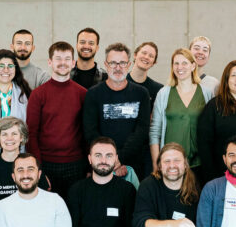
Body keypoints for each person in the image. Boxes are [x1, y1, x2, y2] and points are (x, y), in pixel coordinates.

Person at [26, 41, 87, 201]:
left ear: (73, 63)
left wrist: (88, 166)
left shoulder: (82, 94)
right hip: (46, 164)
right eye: (58, 58)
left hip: (76, 164)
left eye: (67, 59)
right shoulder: (38, 94)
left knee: (75, 212)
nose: (63, 63)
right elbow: (31, 134)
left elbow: (87, 132)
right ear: (50, 62)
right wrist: (38, 168)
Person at [83, 43, 151, 179]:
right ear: (106, 64)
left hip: (134, 166)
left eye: (122, 63)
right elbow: (91, 132)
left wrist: (121, 158)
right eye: (113, 63)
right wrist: (110, 158)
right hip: (103, 164)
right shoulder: (93, 94)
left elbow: (142, 130)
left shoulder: (141, 93)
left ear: (129, 64)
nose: (118, 68)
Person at [150, 48, 214, 177]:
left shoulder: (206, 93)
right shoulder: (164, 93)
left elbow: (212, 130)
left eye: (184, 63)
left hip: (199, 164)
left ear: (193, 66)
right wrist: (157, 164)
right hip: (171, 164)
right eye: (176, 63)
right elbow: (154, 131)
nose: (180, 67)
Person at [0, 117, 50, 218]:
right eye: (4, 134)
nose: (9, 138)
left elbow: (43, 195)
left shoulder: (32, 162)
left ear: (22, 137)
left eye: (14, 134)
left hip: (30, 220)